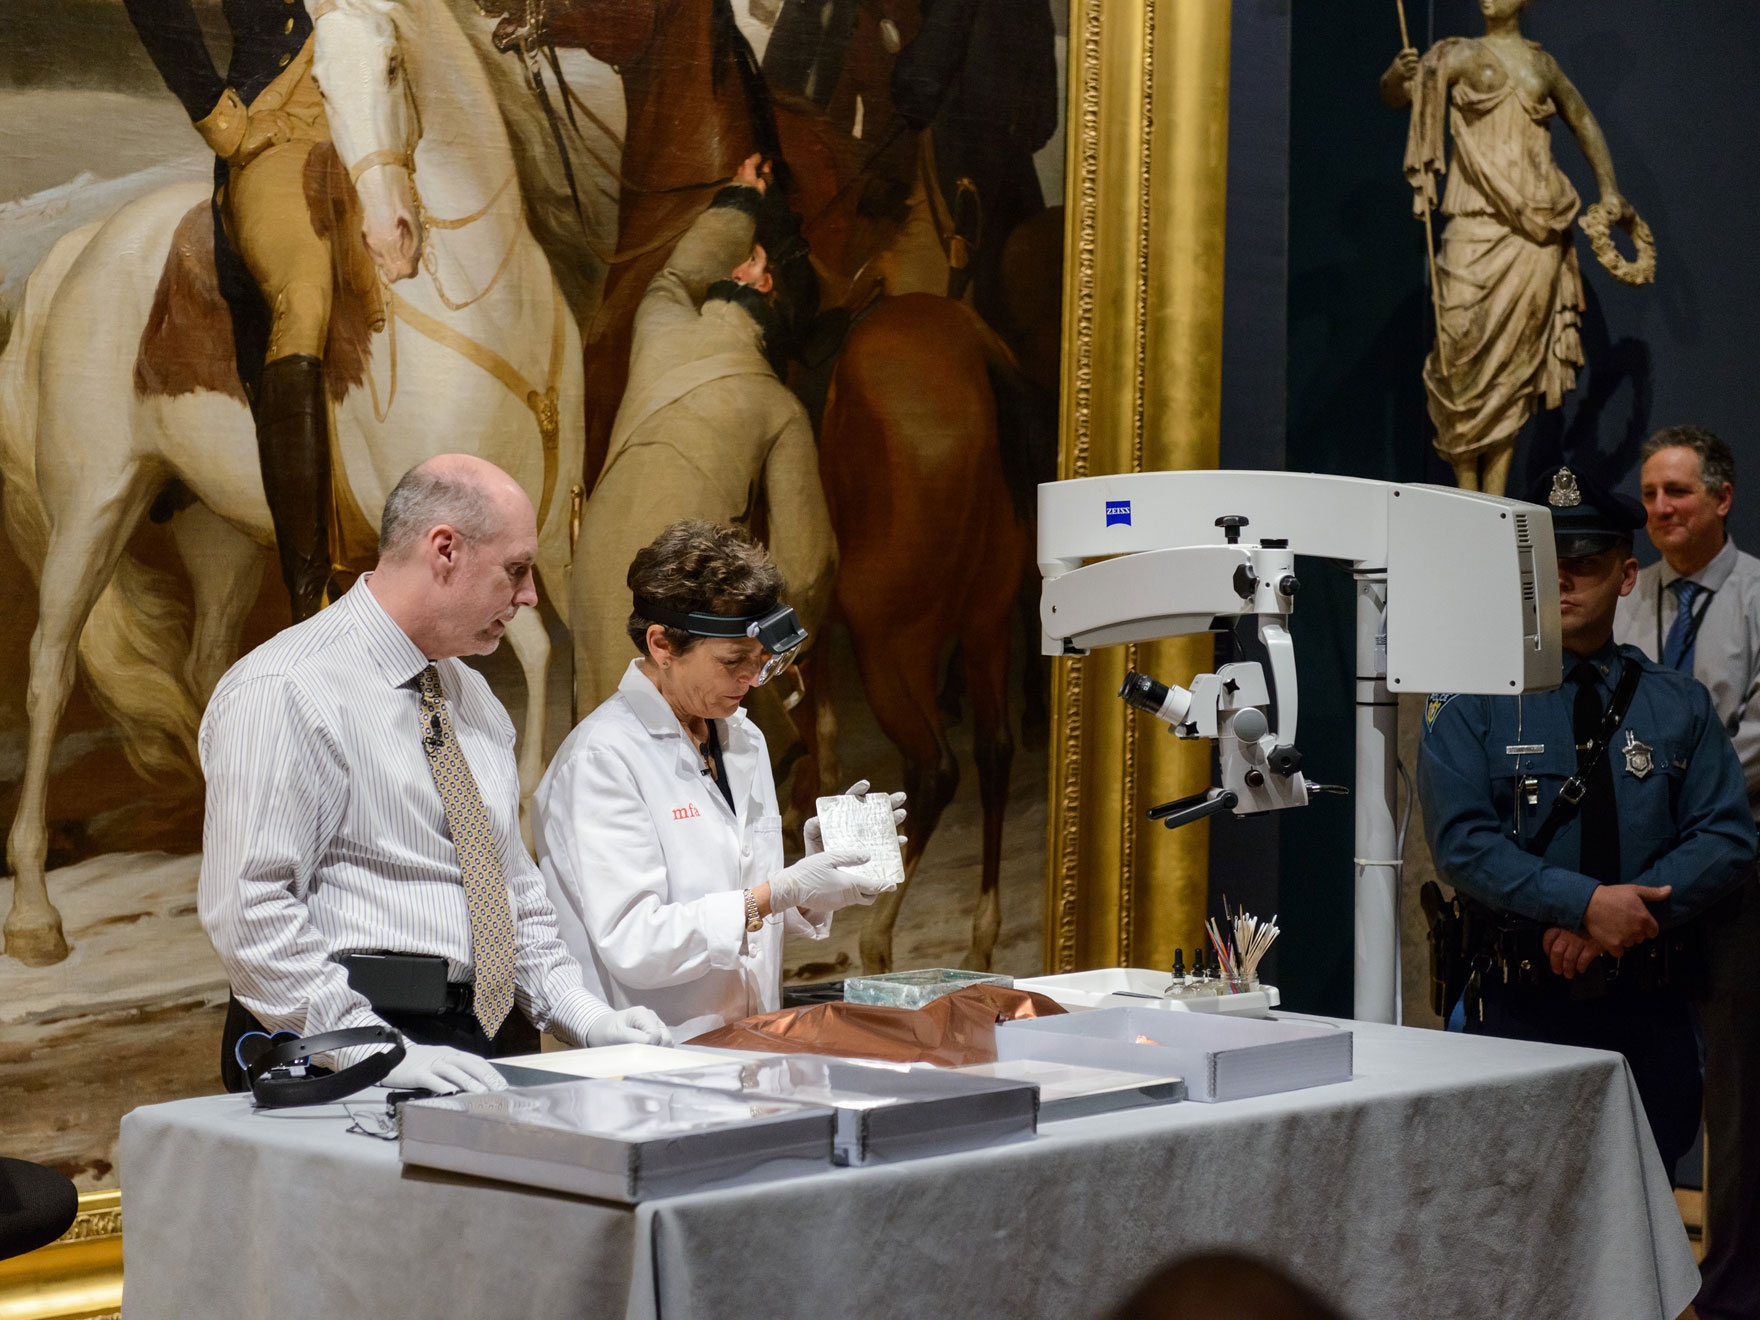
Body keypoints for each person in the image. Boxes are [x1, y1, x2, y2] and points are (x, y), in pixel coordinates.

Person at [199, 455, 669, 1098]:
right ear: (445, 549)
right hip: (341, 1046)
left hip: (482, 1034)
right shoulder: (287, 687)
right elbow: (250, 909)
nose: (530, 596)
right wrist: (373, 1050)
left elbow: (510, 891)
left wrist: (589, 1019)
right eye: (516, 570)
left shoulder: (472, 698)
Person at [1418, 465, 1756, 1173]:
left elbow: (1725, 835)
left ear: (1627, 576)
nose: (1562, 581)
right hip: (1517, 1007)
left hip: (1648, 1007)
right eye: (1543, 565)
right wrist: (1582, 905)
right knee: (1510, 1203)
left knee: (1640, 1217)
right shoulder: (1469, 697)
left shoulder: (1675, 704)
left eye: (1584, 564)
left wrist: (1618, 923)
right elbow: (1461, 844)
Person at [535, 520, 906, 1041]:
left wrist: (807, 894)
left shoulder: (742, 738)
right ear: (662, 644)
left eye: (761, 664)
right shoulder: (601, 760)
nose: (752, 681)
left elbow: (738, 907)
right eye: (733, 662)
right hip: (649, 1065)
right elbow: (635, 943)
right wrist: (770, 895)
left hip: (754, 1049)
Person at [124, 0, 367, 619]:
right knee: (305, 296)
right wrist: (222, 120)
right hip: (284, 115)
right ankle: (312, 586)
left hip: (384, 112)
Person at [570, 153, 835, 714]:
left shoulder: (659, 326)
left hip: (593, 574)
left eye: (749, 257)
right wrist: (776, 658)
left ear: (758, 282)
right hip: (682, 590)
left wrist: (742, 199)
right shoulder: (779, 406)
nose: (736, 263)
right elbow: (807, 571)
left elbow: (675, 274)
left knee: (608, 743)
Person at [1613, 426, 1760, 1320]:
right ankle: (1632, 1273)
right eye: (1652, 495)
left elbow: (1750, 750)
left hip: (1736, 875)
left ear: (1722, 497)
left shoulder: (1755, 597)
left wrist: (1673, 821)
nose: (1660, 510)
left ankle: (1735, 1290)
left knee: (1739, 1097)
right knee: (1637, 1073)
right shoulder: (1628, 598)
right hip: (1633, 882)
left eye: (1678, 493)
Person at [1380, 0, 1632, 495]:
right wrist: (1394, 76)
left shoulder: (1541, 65)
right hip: (1473, 220)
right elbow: (1404, 94)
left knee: (1514, 365)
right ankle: (1465, 490)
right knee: (1461, 349)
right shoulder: (1459, 53)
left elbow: (1583, 120)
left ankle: (1492, 496)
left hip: (1533, 230)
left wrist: (1611, 191)